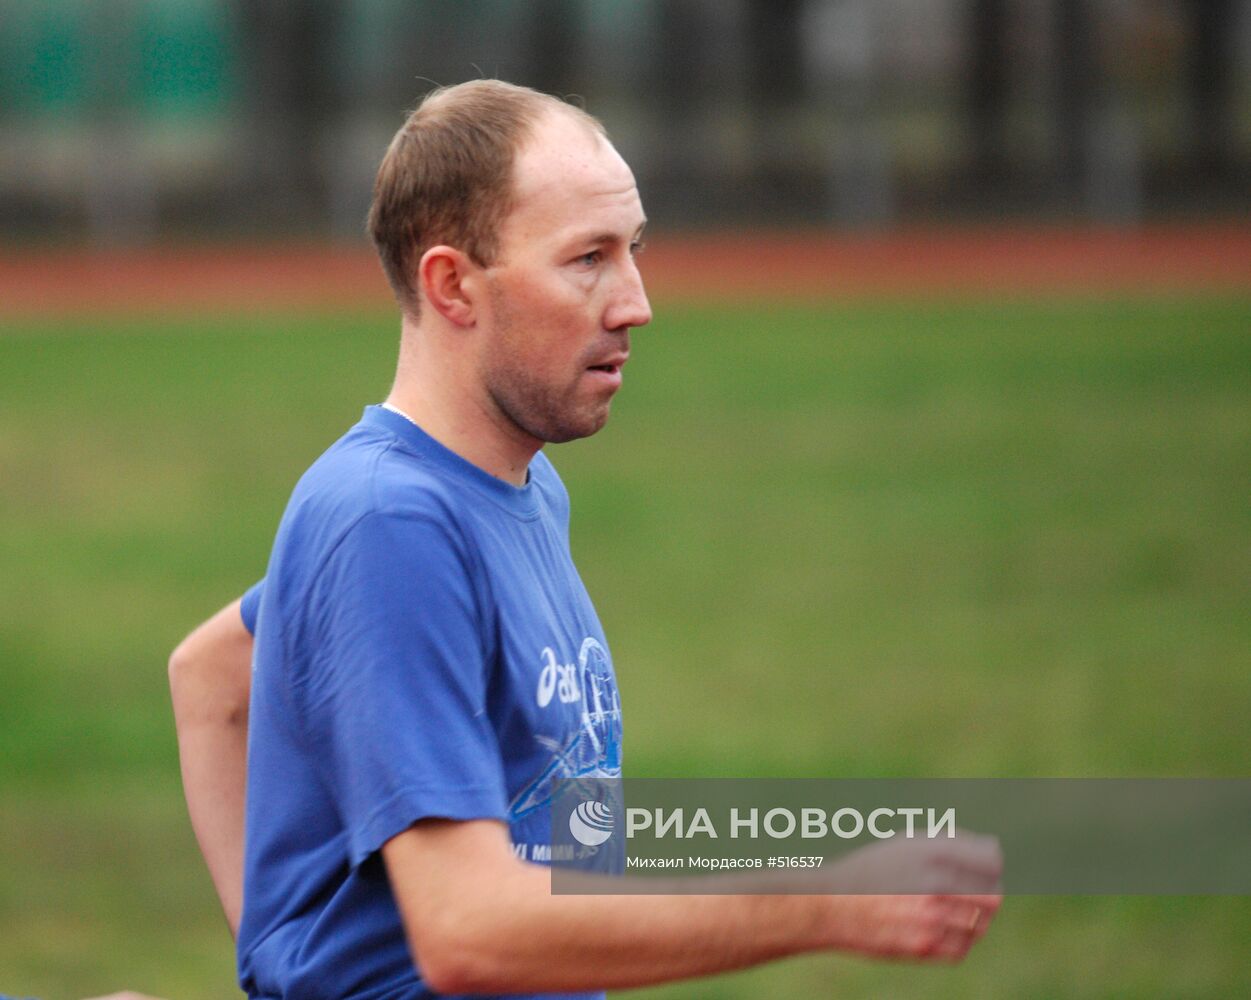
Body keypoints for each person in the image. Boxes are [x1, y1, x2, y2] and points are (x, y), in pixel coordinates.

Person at [170, 80, 1001, 999]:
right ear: (452, 285)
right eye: (587, 259)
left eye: (633, 250)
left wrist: (283, 951)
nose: (635, 303)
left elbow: (213, 674)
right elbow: (465, 931)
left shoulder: (515, 488)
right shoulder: (388, 523)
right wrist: (825, 903)